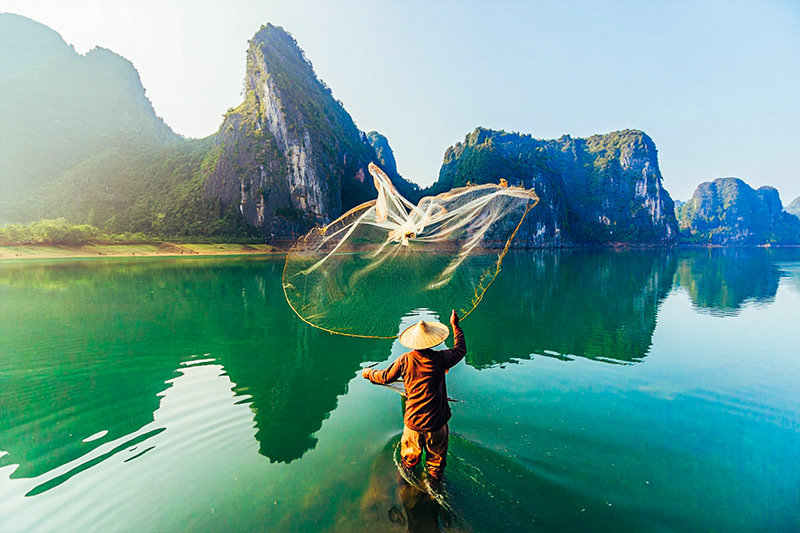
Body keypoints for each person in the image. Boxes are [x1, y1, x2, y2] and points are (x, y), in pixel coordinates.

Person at [363, 310, 466, 480]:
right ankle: (434, 489)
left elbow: (385, 377)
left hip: (414, 424)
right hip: (436, 424)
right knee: (436, 468)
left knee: (408, 463)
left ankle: (405, 488)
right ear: (432, 340)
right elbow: (460, 349)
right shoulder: (442, 359)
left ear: (413, 343)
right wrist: (455, 326)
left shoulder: (404, 360)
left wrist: (368, 373)